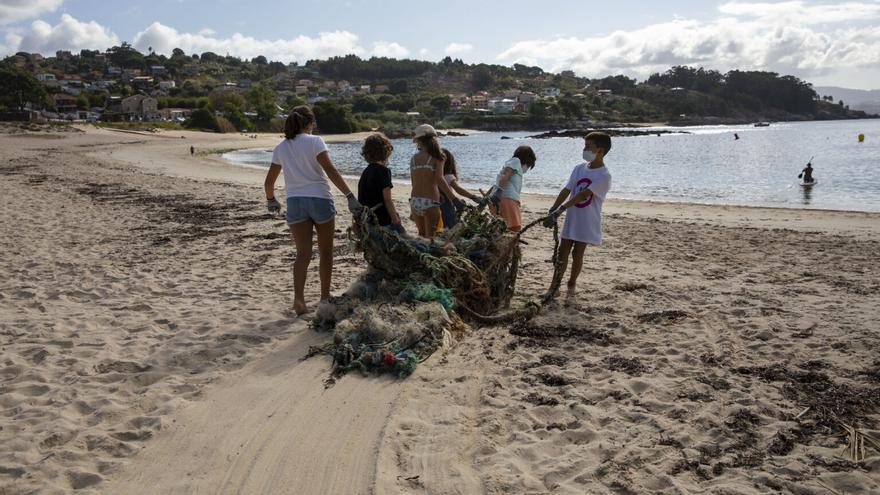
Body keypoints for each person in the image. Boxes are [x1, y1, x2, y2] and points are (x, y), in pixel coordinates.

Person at [263, 106, 362, 315]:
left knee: (303, 254)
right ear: (309, 123)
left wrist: (271, 199)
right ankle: (324, 296)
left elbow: (269, 180)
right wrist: (349, 196)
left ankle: (299, 300)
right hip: (319, 199)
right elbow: (331, 170)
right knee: (326, 252)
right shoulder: (315, 141)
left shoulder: (281, 147)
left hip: (295, 202)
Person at [543, 132, 612, 300]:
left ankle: (572, 282)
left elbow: (583, 195)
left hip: (587, 221)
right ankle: (555, 285)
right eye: (585, 145)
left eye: (589, 146)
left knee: (577, 254)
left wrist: (561, 210)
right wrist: (554, 207)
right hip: (572, 218)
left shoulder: (604, 175)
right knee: (562, 252)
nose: (585, 149)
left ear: (600, 150)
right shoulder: (579, 168)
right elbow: (567, 189)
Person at [409, 124, 462, 238]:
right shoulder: (438, 157)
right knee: (431, 237)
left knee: (421, 235)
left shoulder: (413, 159)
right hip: (430, 202)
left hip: (414, 201)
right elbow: (440, 180)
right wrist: (454, 199)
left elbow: (414, 183)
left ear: (418, 140)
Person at [357, 133, 404, 233]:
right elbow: (387, 199)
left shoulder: (366, 171)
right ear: (386, 151)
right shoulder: (383, 171)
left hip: (367, 218)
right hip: (381, 219)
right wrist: (396, 220)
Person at [488, 146, 537, 231]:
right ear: (527, 159)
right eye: (528, 166)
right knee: (514, 228)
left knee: (500, 229)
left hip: (498, 199)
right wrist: (499, 192)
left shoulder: (512, 164)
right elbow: (505, 176)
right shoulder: (516, 161)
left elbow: (499, 180)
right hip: (507, 199)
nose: (527, 168)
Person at [438, 148, 485, 229]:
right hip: (447, 204)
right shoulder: (448, 176)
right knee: (451, 223)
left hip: (436, 202)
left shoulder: (434, 176)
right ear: (450, 163)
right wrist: (473, 197)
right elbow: (458, 189)